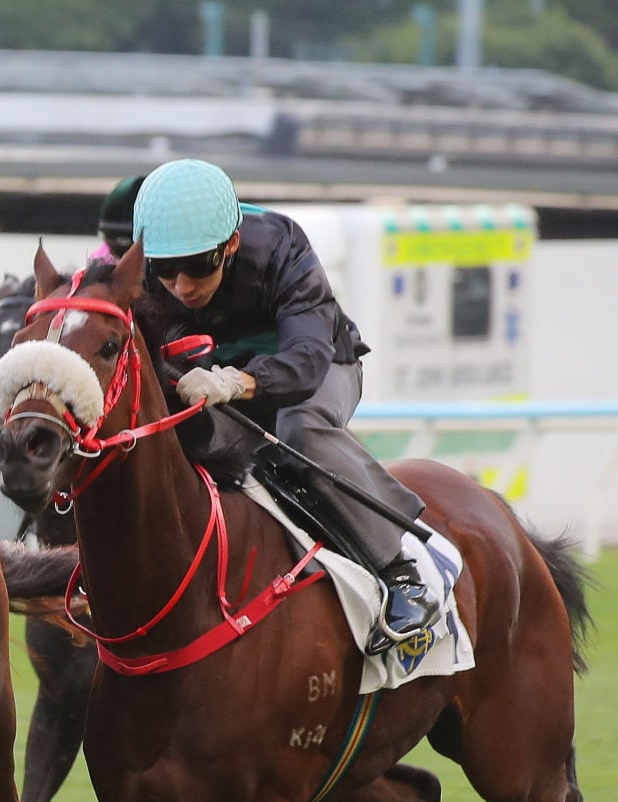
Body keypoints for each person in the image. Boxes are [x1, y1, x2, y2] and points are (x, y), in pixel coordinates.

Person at [130, 158, 438, 648]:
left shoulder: (282, 246)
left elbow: (307, 360)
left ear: (230, 245)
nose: (182, 286)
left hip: (320, 369)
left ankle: (402, 572)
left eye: (197, 266)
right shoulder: (145, 278)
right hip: (220, 385)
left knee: (300, 428)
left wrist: (236, 382)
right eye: (166, 269)